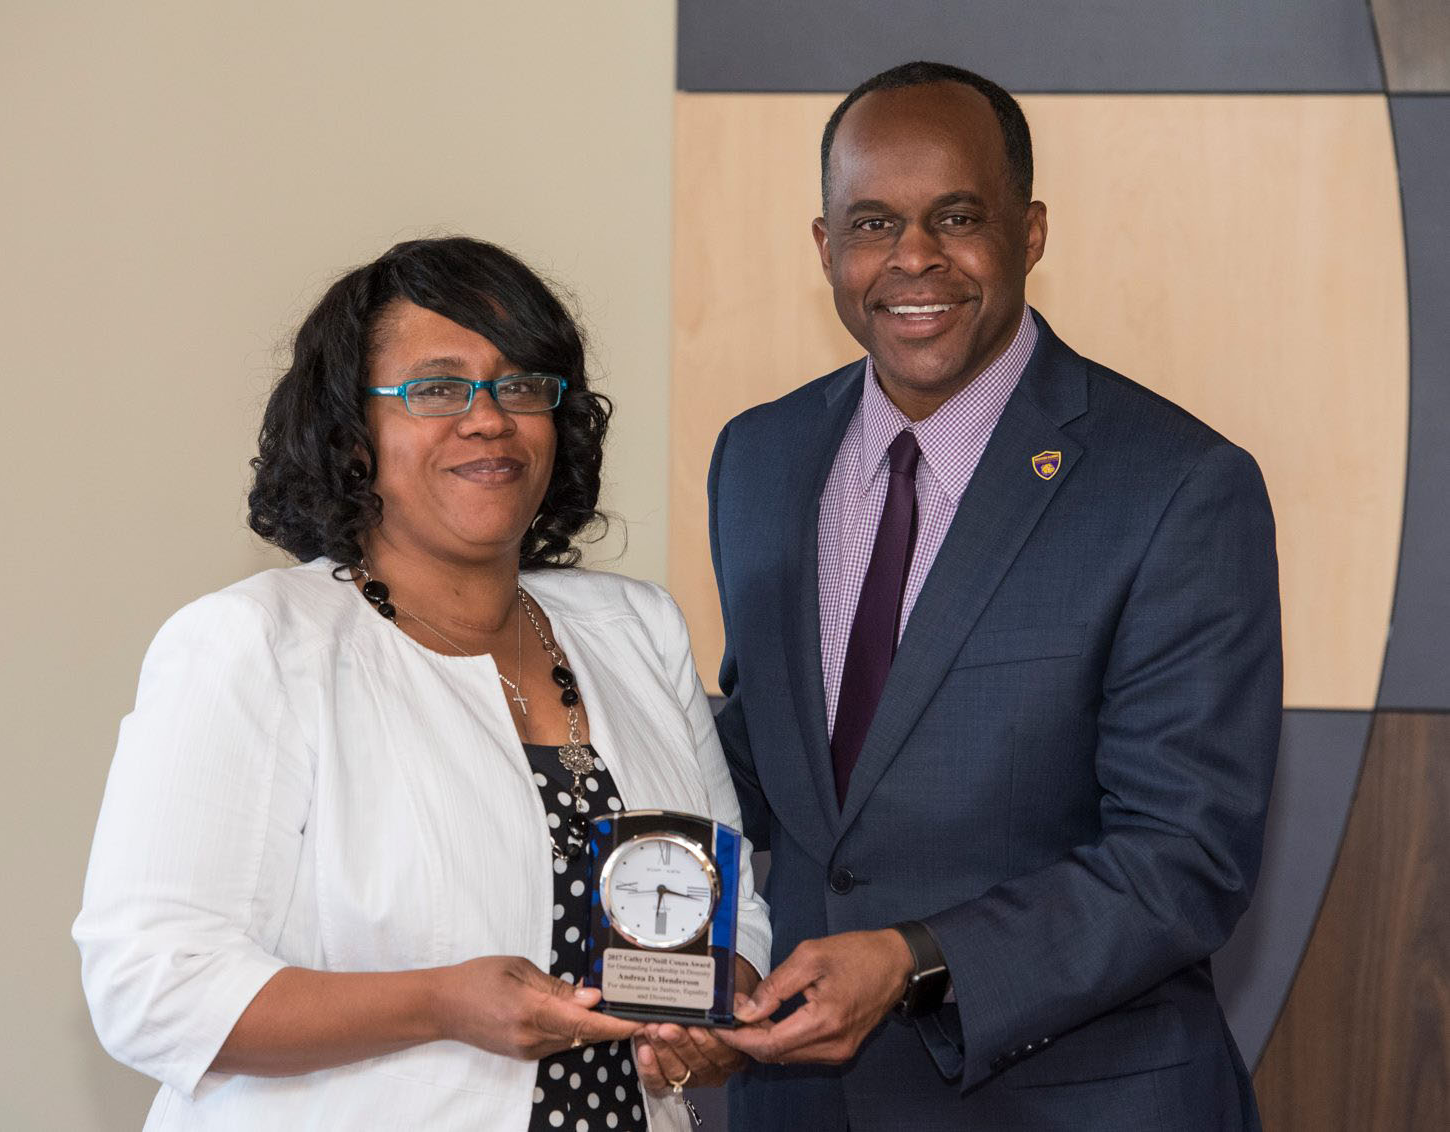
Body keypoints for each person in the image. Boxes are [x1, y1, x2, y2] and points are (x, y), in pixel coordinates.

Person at [74, 236, 770, 1131]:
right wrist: (440, 1003)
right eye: (437, 389)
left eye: (521, 386)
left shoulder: (637, 629)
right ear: (350, 434)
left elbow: (728, 902)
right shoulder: (255, 644)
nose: (488, 419)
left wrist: (719, 1005)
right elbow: (151, 987)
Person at [707, 63, 1281, 1130]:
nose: (913, 256)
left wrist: (915, 959)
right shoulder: (759, 456)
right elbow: (765, 759)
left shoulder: (1178, 485)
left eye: (958, 217)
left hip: (1070, 1104)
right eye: (872, 223)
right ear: (826, 248)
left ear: (1031, 233)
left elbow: (1184, 857)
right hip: (799, 1104)